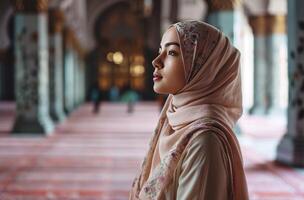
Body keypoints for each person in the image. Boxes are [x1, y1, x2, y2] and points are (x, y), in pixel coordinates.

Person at [129, 20, 249, 200]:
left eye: (171, 52)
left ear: (204, 68)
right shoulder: (174, 118)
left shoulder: (204, 141)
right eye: (160, 51)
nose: (156, 61)